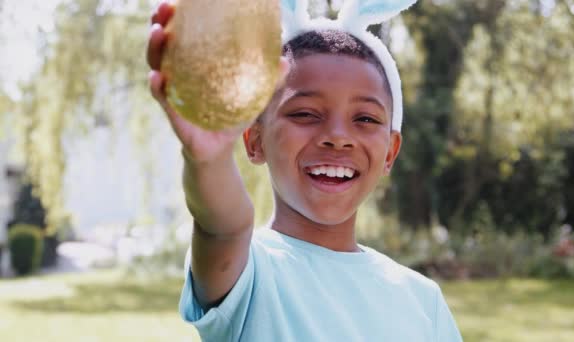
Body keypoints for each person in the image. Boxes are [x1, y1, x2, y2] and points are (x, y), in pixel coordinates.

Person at [147, 1, 462, 341]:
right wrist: (209, 159)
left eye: (366, 119)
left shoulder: (422, 300)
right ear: (255, 139)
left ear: (390, 151)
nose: (338, 138)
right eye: (305, 114)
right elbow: (221, 226)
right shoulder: (248, 271)